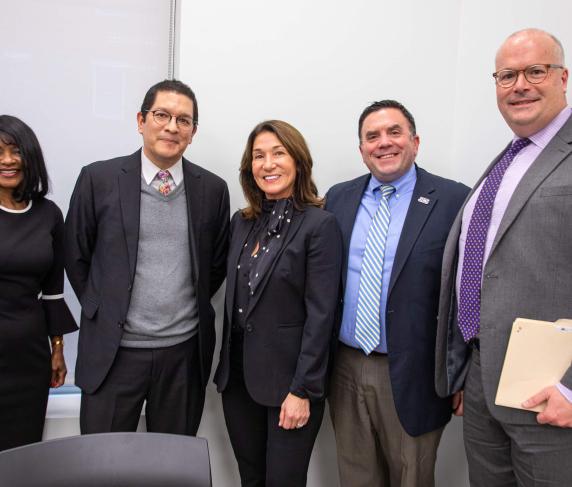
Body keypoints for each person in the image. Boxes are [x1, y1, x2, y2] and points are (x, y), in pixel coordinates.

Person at [435, 28, 572, 486]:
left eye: (535, 71)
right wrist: (463, 370)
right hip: (482, 378)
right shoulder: (508, 159)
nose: (520, 85)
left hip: (550, 391)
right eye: (507, 75)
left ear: (563, 77)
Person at [65, 79, 229, 435]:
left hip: (183, 355)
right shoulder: (99, 179)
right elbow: (76, 255)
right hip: (114, 352)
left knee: (171, 466)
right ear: (141, 121)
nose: (172, 126)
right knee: (104, 465)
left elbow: (214, 266)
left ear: (193, 132)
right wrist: (101, 309)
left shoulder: (213, 190)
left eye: (183, 120)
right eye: (162, 115)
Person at [325, 100, 469, 487]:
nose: (383, 143)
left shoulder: (454, 200)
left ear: (415, 141)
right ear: (361, 149)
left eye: (394, 132)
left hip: (415, 373)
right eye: (372, 136)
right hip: (345, 368)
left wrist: (463, 370)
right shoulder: (337, 198)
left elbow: (467, 291)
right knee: (355, 475)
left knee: (412, 477)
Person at [214, 120, 342, 486]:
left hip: (290, 385)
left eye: (278, 153)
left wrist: (302, 390)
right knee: (250, 479)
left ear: (298, 162)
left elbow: (322, 316)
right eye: (258, 156)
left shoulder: (319, 225)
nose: (268, 164)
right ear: (249, 167)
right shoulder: (242, 222)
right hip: (238, 381)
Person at [0, 115, 77, 452]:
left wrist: (57, 350)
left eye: (15, 150)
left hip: (29, 358)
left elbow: (53, 290)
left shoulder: (48, 214)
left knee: (22, 454)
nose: (7, 160)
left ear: (29, 156)